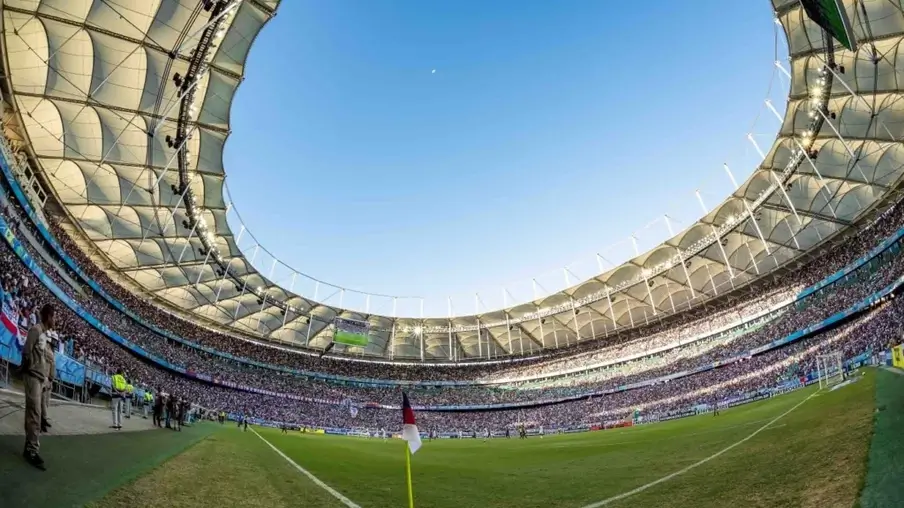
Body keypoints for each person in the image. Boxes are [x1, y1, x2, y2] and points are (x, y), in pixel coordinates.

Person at [21, 304, 55, 470]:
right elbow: (26, 352)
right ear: (48, 317)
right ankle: (32, 450)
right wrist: (28, 371)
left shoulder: (44, 333)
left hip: (39, 379)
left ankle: (28, 447)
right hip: (33, 377)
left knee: (33, 414)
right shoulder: (35, 330)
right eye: (54, 317)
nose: (55, 321)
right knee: (35, 414)